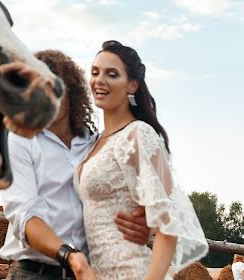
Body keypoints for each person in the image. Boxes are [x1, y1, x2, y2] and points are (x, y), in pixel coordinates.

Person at [0, 50, 152, 280]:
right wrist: (70, 256)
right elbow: (25, 216)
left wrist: (142, 221)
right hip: (34, 274)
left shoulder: (95, 144)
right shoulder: (19, 140)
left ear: (72, 92)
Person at [75, 40, 208, 279]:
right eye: (95, 72)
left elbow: (169, 224)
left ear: (132, 85)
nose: (99, 80)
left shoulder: (138, 134)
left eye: (112, 74)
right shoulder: (93, 143)